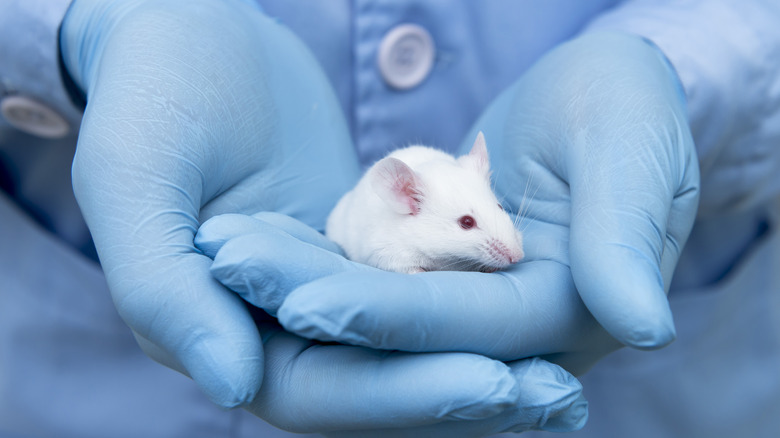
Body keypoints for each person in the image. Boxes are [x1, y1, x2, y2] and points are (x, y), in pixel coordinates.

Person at [1, 1, 778, 437]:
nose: (502, 239)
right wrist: (83, 22)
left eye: (492, 216)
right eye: (474, 228)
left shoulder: (465, 196)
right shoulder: (396, 207)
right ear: (406, 199)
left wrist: (686, 62)